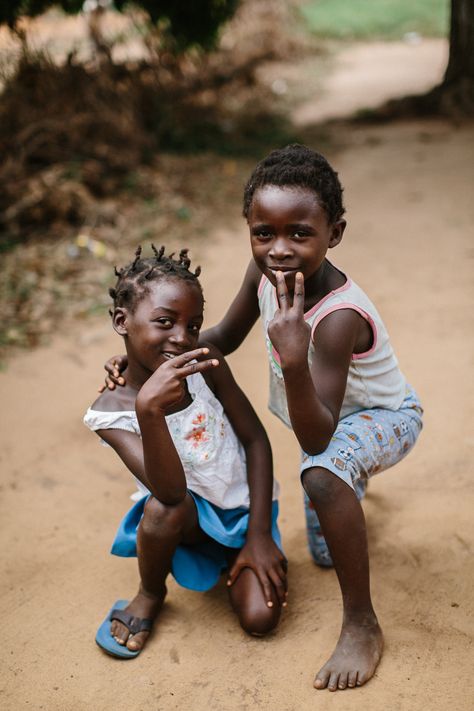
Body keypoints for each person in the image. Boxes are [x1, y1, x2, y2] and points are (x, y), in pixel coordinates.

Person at [102, 145, 423, 689]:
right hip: (322, 415)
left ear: (334, 232)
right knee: (324, 553)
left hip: (383, 418)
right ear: (249, 230)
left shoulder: (339, 317)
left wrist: (294, 358)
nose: (279, 250)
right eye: (263, 233)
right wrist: (143, 361)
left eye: (300, 233)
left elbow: (318, 435)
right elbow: (222, 338)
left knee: (323, 472)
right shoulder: (263, 272)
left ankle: (362, 623)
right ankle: (350, 491)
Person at [85, 245, 287, 659]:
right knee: (161, 509)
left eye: (193, 325)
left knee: (260, 619)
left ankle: (244, 551)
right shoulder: (110, 413)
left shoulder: (204, 363)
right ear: (122, 321)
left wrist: (259, 534)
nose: (181, 338)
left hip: (246, 512)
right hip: (186, 520)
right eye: (164, 321)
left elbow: (255, 441)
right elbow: (172, 493)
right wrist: (149, 409)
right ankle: (150, 593)